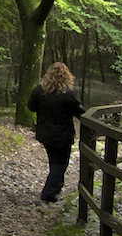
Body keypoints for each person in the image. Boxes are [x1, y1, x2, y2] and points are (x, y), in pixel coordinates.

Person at [27, 62, 85, 203]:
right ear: (66, 76)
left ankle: (56, 189)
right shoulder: (68, 94)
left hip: (45, 133)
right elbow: (80, 112)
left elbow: (31, 106)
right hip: (62, 135)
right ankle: (48, 193)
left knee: (54, 161)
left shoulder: (40, 91)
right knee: (61, 164)